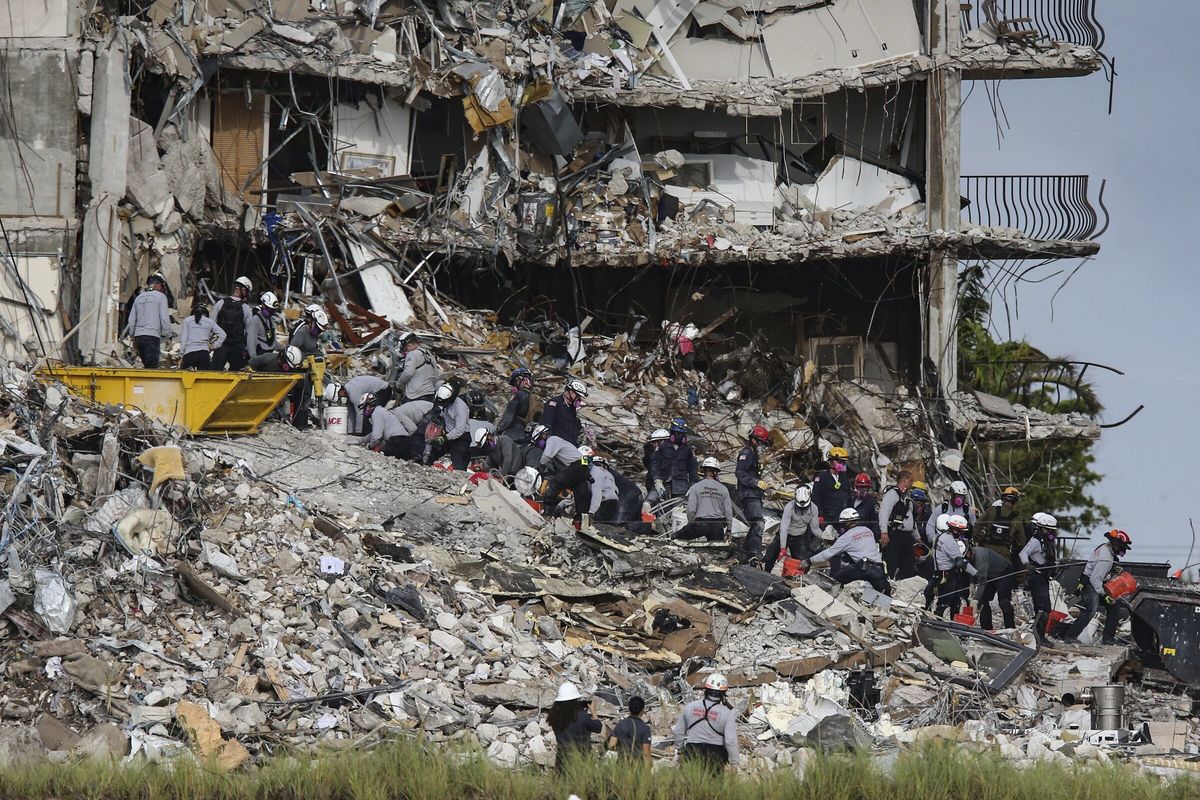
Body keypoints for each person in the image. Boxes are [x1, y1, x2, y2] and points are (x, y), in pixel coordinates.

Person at [1052, 529, 1133, 646]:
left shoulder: (1105, 548)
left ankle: (1108, 638)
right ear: (1116, 544)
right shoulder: (1106, 558)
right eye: (1122, 547)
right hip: (1091, 584)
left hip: (1092, 581)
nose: (1122, 550)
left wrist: (1113, 568)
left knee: (1114, 607)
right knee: (1091, 610)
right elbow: (1095, 579)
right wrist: (1104, 595)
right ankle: (1070, 636)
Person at [803, 508, 890, 595]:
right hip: (879, 568)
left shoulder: (846, 537)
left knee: (835, 583)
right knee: (884, 596)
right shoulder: (867, 530)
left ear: (846, 523)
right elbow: (860, 547)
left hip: (863, 569)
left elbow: (828, 553)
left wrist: (809, 561)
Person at [673, 673, 738, 773]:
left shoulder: (690, 707)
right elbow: (731, 741)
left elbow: (678, 731)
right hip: (715, 755)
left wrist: (680, 751)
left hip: (692, 751)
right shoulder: (727, 713)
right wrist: (734, 763)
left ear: (706, 690)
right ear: (723, 693)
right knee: (713, 786)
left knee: (689, 785)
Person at [534, 424, 594, 528]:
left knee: (555, 482)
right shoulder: (560, 441)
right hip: (584, 465)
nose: (539, 444)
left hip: (577, 465)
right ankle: (582, 522)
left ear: (544, 435)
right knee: (581, 494)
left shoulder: (552, 439)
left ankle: (548, 513)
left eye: (539, 440)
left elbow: (547, 456)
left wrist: (540, 466)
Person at [286, 305, 328, 430]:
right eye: (317, 330)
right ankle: (299, 423)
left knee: (308, 395)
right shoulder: (302, 333)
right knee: (301, 395)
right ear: (312, 322)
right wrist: (304, 360)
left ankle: (303, 421)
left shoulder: (314, 335)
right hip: (299, 369)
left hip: (309, 369)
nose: (318, 333)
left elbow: (313, 349)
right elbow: (291, 350)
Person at [763, 485, 822, 573]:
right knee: (769, 557)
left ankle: (795, 579)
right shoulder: (789, 507)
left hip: (800, 537)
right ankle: (765, 574)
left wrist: (824, 537)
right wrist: (782, 548)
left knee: (802, 563)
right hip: (784, 535)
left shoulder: (814, 508)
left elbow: (815, 528)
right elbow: (784, 527)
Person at [734, 425, 771, 564]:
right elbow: (740, 473)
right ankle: (753, 551)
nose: (763, 446)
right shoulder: (747, 453)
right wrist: (756, 482)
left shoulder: (753, 454)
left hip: (754, 493)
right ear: (755, 440)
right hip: (748, 494)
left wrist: (762, 484)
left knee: (756, 523)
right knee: (758, 523)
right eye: (762, 443)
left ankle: (745, 550)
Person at [927, 514, 975, 618]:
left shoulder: (939, 537)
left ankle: (945, 619)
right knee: (946, 602)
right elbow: (961, 562)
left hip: (939, 572)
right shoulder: (950, 542)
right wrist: (975, 573)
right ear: (955, 530)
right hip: (948, 575)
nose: (962, 534)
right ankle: (940, 622)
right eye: (961, 531)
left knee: (954, 600)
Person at [1019, 512, 1060, 635]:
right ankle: (1039, 635)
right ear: (1042, 528)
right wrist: (1028, 565)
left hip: (1044, 576)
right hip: (1036, 576)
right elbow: (1023, 553)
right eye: (1049, 530)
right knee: (1043, 607)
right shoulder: (1036, 541)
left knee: (1045, 607)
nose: (1051, 533)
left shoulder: (1048, 542)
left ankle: (1040, 635)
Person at [547, 682, 601, 771]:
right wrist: (593, 711)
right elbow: (598, 727)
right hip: (581, 757)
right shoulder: (582, 716)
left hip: (562, 758)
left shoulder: (554, 716)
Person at [677, 457, 732, 542]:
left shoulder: (695, 487)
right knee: (716, 549)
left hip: (700, 525)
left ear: (704, 471)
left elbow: (690, 510)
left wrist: (691, 524)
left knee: (677, 537)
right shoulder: (723, 489)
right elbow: (728, 512)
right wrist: (729, 530)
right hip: (717, 526)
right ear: (716, 472)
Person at [123, 274, 172, 367]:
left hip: (139, 337)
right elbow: (164, 318)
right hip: (152, 336)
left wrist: (133, 336)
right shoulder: (161, 297)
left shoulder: (139, 298)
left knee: (146, 364)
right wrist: (168, 335)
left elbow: (132, 320)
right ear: (158, 285)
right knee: (152, 367)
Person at [878, 471, 919, 580]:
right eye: (911, 480)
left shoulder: (908, 497)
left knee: (909, 565)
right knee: (891, 564)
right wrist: (884, 532)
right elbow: (884, 513)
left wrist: (917, 537)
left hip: (907, 537)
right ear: (904, 480)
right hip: (895, 534)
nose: (912, 483)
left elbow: (911, 519)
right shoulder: (892, 494)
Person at [970, 538, 1017, 630]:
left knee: (1003, 601)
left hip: (1004, 572)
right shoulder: (968, 557)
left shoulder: (981, 556)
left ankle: (1010, 628)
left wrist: (975, 599)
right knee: (983, 600)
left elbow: (982, 581)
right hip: (990, 574)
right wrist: (972, 582)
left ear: (970, 551)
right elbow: (972, 569)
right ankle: (986, 629)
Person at [975, 486, 1027, 566]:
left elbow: (977, 524)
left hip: (985, 551)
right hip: (1004, 556)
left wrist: (977, 538)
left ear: (1003, 498)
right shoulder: (1017, 519)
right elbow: (1022, 543)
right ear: (1015, 501)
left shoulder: (991, 510)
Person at [210, 276, 254, 370]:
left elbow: (211, 325)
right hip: (237, 346)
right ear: (243, 290)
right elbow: (249, 332)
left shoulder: (220, 303)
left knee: (214, 372)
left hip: (221, 344)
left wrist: (212, 343)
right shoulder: (246, 309)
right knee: (238, 373)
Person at [651, 418, 698, 499]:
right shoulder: (663, 447)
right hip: (664, 484)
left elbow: (692, 469)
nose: (680, 436)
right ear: (672, 433)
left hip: (681, 487)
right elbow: (655, 465)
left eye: (682, 434)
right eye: (677, 433)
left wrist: (694, 484)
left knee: (680, 509)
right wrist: (657, 481)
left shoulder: (688, 450)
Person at [427, 382, 471, 469]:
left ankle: (460, 478)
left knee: (458, 460)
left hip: (460, 438)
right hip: (447, 433)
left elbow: (459, 430)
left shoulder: (459, 408)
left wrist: (445, 438)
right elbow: (444, 414)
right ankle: (425, 466)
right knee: (433, 452)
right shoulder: (444, 401)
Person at [391, 331, 439, 404]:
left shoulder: (412, 354)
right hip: (430, 395)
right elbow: (436, 376)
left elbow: (408, 374)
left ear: (407, 345)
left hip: (415, 395)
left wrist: (398, 384)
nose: (406, 352)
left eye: (404, 350)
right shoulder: (430, 355)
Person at [496, 367, 539, 442]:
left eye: (514, 384)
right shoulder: (534, 397)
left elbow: (508, 418)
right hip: (528, 436)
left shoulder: (517, 396)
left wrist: (498, 430)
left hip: (513, 434)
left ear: (518, 380)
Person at [811, 447, 854, 523]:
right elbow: (816, 498)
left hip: (843, 518)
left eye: (844, 462)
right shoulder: (821, 478)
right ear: (831, 460)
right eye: (840, 461)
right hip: (828, 518)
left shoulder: (844, 477)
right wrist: (819, 515)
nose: (842, 464)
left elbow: (849, 496)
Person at [178, 301, 225, 369]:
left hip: (189, 353)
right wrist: (214, 346)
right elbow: (223, 334)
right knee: (203, 378)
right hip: (204, 354)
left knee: (186, 376)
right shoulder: (210, 321)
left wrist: (181, 355)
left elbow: (183, 339)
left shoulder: (187, 320)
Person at [540, 378, 586, 446]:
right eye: (577, 396)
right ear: (570, 391)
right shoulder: (554, 403)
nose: (578, 399)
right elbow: (546, 424)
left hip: (569, 445)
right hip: (556, 445)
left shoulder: (571, 408)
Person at [608, 696, 652, 764]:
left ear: (629, 708)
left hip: (621, 765)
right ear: (642, 710)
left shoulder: (620, 724)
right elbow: (646, 752)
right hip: (638, 767)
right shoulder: (645, 728)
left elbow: (611, 745)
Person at [246, 291, 280, 359]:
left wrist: (282, 348)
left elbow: (273, 338)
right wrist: (254, 358)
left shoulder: (271, 319)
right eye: (270, 309)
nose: (271, 312)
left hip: (270, 354)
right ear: (263, 305)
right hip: (260, 355)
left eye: (273, 310)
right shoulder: (255, 320)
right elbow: (251, 342)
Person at [643, 429, 670, 500]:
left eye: (655, 442)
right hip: (653, 485)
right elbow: (649, 465)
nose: (653, 445)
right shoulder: (651, 453)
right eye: (653, 443)